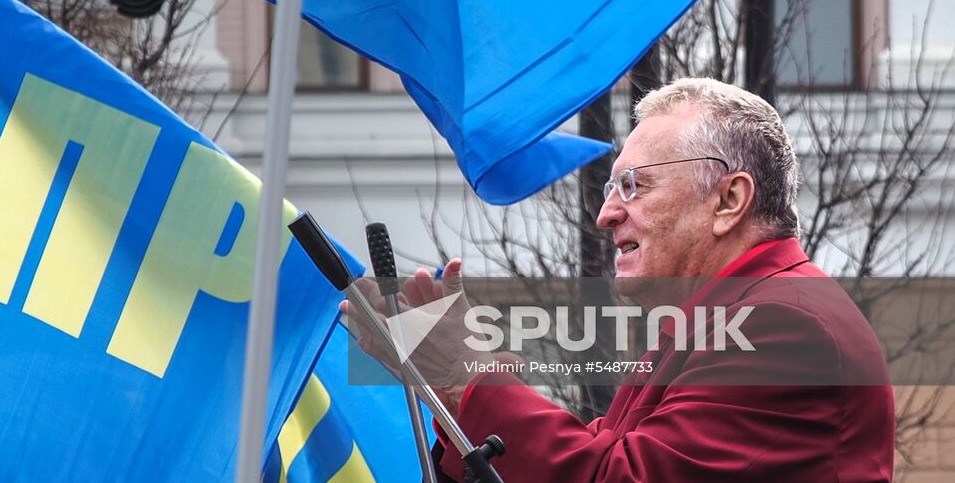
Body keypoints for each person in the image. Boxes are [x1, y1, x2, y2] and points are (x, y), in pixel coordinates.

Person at [349, 77, 895, 482]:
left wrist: (468, 381)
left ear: (728, 200)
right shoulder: (715, 323)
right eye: (612, 187)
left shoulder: (785, 326)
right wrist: (458, 396)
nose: (606, 214)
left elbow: (617, 477)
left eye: (633, 186)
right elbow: (603, 455)